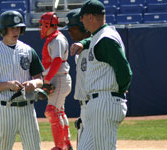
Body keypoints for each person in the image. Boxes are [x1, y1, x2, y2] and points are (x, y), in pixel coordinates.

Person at [70, 0, 133, 149]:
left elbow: (125, 71)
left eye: (82, 17)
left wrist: (120, 88)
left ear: (90, 17)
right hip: (97, 103)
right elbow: (94, 39)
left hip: (105, 101)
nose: (81, 20)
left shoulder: (106, 39)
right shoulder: (100, 36)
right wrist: (84, 43)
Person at [0, 10, 45, 150]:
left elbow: (39, 79)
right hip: (6, 109)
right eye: (12, 28)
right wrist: (7, 85)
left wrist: (33, 84)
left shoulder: (28, 50)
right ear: (3, 30)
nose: (16, 31)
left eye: (18, 27)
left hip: (27, 108)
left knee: (34, 147)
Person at [39, 12, 73, 150]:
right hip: (59, 77)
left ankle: (59, 147)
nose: (40, 28)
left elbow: (57, 60)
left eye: (42, 25)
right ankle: (66, 144)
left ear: (48, 24)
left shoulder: (57, 39)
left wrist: (46, 80)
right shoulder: (54, 39)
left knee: (51, 111)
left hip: (58, 78)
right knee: (59, 112)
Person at [65, 8, 91, 148]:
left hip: (95, 106)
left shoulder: (97, 47)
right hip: (85, 107)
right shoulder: (78, 54)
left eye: (72, 28)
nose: (69, 32)